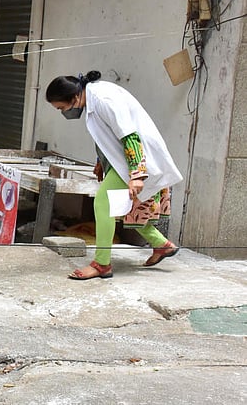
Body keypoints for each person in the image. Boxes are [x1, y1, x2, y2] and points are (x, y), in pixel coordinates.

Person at [45, 71, 183, 279]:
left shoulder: (103, 100)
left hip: (136, 161)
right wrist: (101, 162)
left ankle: (102, 264)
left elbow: (129, 136)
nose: (63, 112)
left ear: (74, 98)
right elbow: (107, 136)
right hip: (123, 162)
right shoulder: (92, 99)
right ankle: (161, 245)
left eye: (62, 108)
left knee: (103, 203)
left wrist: (137, 174)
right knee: (126, 206)